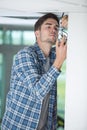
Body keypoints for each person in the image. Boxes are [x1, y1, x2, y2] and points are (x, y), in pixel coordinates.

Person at [1, 13, 67, 130]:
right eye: (48, 26)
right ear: (37, 33)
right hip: (18, 126)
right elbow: (37, 92)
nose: (53, 30)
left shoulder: (54, 55)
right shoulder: (26, 55)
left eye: (56, 28)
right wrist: (58, 62)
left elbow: (80, 45)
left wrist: (70, 26)